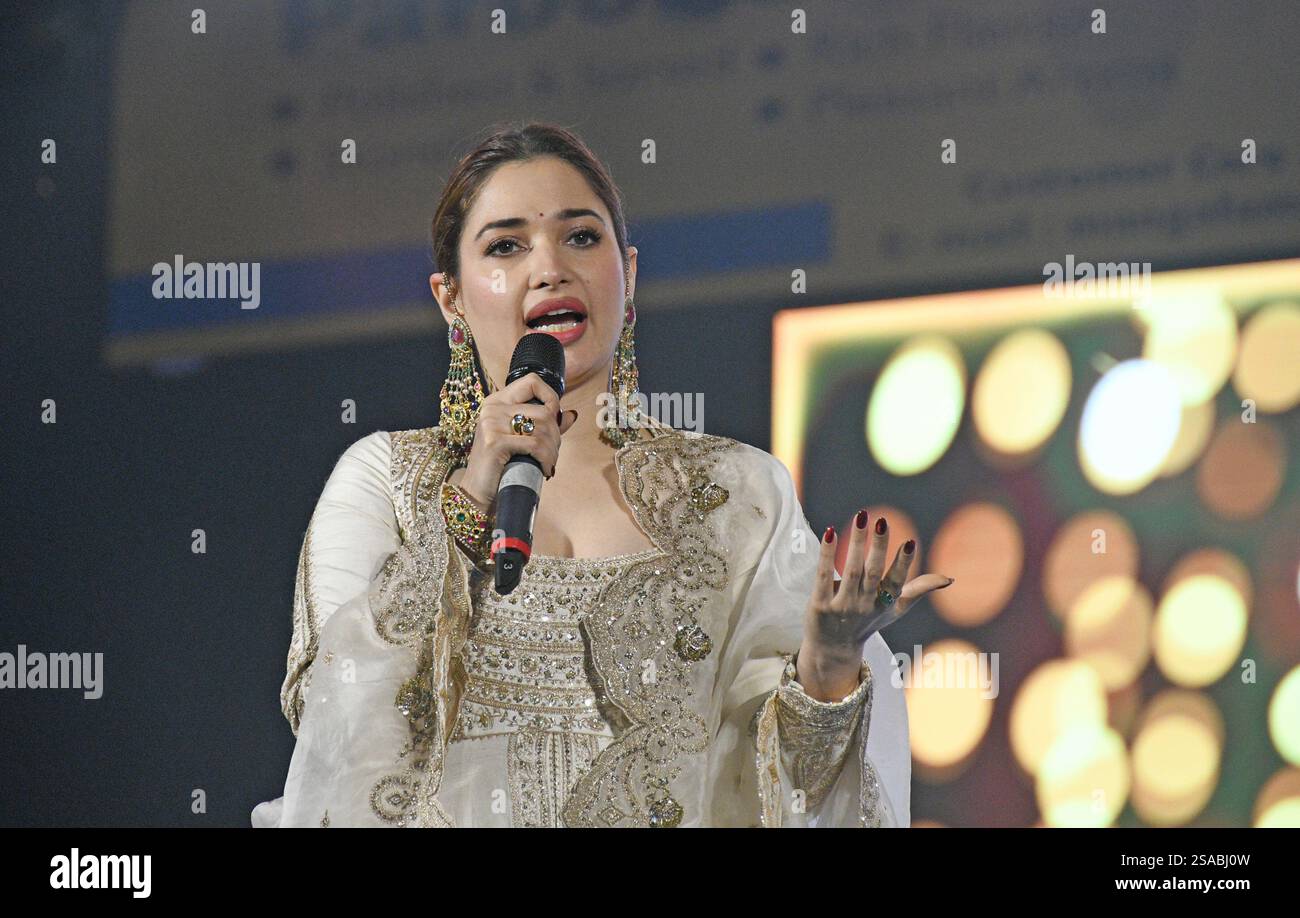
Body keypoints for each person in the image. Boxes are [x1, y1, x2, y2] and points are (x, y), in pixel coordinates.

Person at [252, 122, 952, 828]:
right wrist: (467, 504)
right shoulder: (386, 478)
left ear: (631, 271)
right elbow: (331, 727)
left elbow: (792, 796)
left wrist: (830, 667)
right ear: (451, 297)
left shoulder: (735, 494)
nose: (550, 266)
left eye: (581, 237)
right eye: (505, 246)